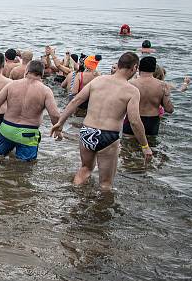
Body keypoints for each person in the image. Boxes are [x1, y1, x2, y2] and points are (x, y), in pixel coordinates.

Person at [51, 52, 153, 191]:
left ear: (119, 64)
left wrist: (60, 123)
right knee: (106, 183)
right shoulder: (132, 91)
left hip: (87, 131)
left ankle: (75, 198)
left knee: (85, 169)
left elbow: (75, 100)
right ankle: (101, 211)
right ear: (134, 67)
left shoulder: (98, 80)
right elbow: (134, 121)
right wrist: (145, 146)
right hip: (108, 136)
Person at [0, 60, 60, 162]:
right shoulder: (46, 91)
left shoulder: (11, 85)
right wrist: (57, 130)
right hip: (28, 134)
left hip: (7, 129)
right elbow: (54, 115)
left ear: (26, 71)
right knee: (26, 166)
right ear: (42, 74)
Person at [122, 56, 173, 138]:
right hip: (152, 123)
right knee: (151, 147)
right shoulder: (163, 86)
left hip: (133, 119)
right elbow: (169, 109)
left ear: (139, 68)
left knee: (128, 146)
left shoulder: (130, 83)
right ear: (154, 69)